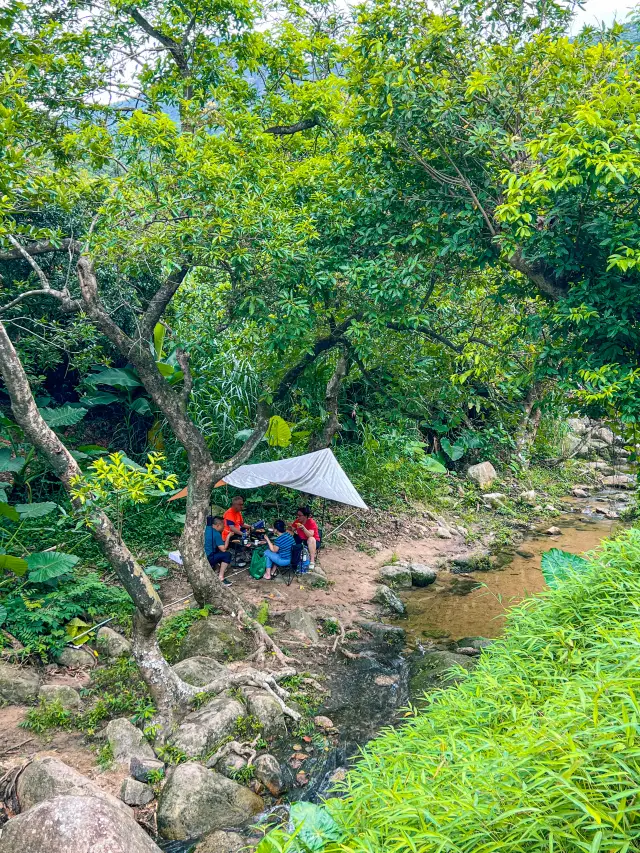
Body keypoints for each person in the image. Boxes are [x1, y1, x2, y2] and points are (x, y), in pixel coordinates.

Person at [222, 495, 251, 568]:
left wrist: (251, 526)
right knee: (243, 543)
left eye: (242, 504)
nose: (242, 506)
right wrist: (243, 534)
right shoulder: (229, 513)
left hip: (236, 533)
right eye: (240, 504)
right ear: (234, 505)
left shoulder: (238, 512)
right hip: (229, 536)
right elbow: (232, 528)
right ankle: (236, 559)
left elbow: (242, 524)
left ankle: (245, 555)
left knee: (251, 536)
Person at [204, 516, 233, 586]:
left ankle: (217, 569)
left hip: (202, 555)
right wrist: (229, 536)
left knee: (216, 549)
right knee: (227, 554)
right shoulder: (216, 534)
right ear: (218, 525)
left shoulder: (205, 528)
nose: (224, 528)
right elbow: (223, 549)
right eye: (223, 526)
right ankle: (221, 577)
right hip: (208, 558)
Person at [290, 505, 320, 570]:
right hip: (302, 540)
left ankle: (312, 561)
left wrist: (303, 528)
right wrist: (294, 530)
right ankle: (293, 561)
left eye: (300, 515)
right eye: (297, 515)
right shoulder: (297, 521)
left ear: (305, 516)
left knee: (311, 539)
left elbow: (310, 535)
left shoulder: (311, 522)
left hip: (313, 542)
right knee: (291, 539)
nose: (298, 517)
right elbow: (292, 529)